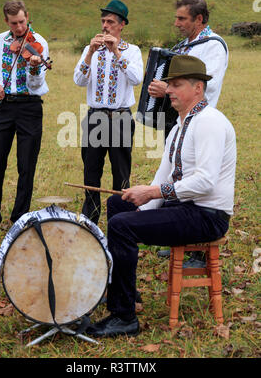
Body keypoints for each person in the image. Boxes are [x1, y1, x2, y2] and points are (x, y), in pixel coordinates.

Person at [86, 54, 236, 338]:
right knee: (118, 204)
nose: (168, 91)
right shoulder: (180, 125)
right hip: (184, 207)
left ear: (198, 89)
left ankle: (124, 316)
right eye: (169, 85)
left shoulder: (210, 123)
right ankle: (125, 290)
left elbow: (204, 182)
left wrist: (154, 193)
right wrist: (144, 202)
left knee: (122, 226)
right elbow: (163, 177)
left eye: (176, 85)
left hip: (207, 216)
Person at [148, 0, 229, 265]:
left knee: (196, 178)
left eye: (182, 18)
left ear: (199, 19)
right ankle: (177, 238)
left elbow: (209, 85)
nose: (176, 23)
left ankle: (197, 250)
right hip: (178, 118)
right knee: (174, 171)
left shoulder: (214, 46)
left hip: (199, 120)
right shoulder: (184, 45)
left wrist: (168, 88)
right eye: (176, 17)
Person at [0, 0, 49, 234]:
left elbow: (37, 83)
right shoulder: (0, 41)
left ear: (27, 16)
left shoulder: (38, 44)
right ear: (6, 22)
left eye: (22, 21)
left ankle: (19, 218)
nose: (20, 27)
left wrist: (33, 67)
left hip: (30, 107)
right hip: (3, 105)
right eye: (14, 23)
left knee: (26, 164)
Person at [74, 0, 143, 224]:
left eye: (110, 22)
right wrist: (89, 54)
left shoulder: (132, 51)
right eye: (103, 21)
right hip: (95, 117)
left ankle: (120, 218)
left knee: (121, 172)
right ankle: (90, 219)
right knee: (91, 170)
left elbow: (136, 78)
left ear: (122, 25)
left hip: (121, 117)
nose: (105, 26)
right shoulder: (89, 49)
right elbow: (79, 80)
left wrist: (116, 52)